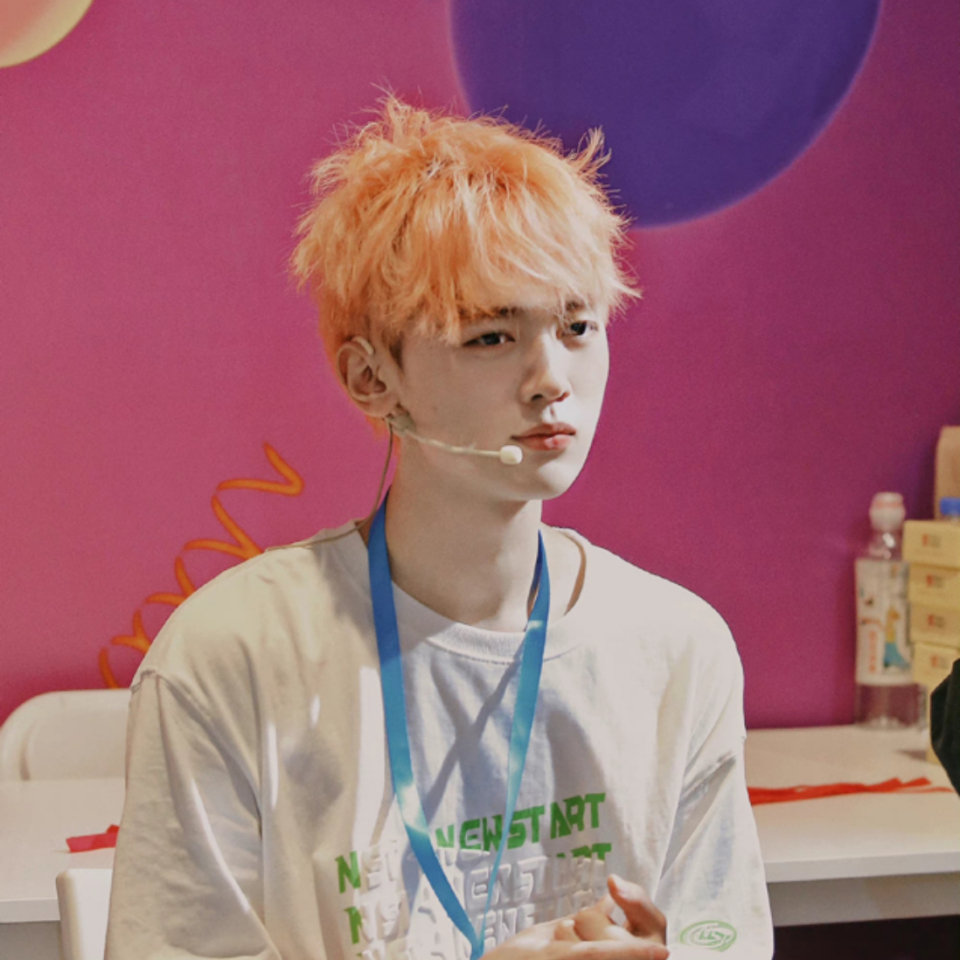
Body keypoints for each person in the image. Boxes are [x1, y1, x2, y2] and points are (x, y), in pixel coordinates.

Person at [106, 98, 773, 960]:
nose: (552, 378)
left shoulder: (676, 646)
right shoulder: (232, 656)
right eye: (491, 337)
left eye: (578, 326)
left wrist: (674, 953)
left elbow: (724, 932)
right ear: (371, 378)